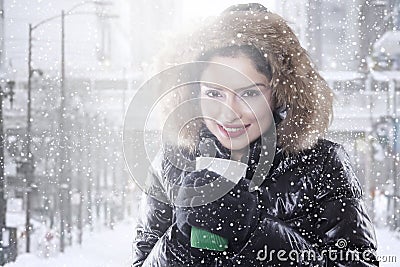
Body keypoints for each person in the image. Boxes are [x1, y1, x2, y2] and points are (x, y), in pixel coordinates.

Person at [131, 3, 378, 266]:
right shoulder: (171, 162)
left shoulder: (324, 163)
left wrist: (255, 229)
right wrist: (181, 239)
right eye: (214, 93)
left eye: (249, 93)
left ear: (280, 94)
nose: (229, 114)